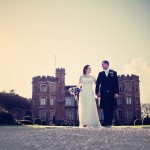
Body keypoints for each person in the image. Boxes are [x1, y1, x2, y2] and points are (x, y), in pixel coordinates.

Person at [95, 60, 119, 127]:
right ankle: (106, 122)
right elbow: (98, 84)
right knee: (105, 108)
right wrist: (97, 92)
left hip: (112, 94)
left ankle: (110, 121)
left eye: (102, 64)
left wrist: (116, 92)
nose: (101, 66)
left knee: (111, 107)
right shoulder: (100, 74)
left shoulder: (114, 73)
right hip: (104, 94)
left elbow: (116, 83)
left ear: (106, 64)